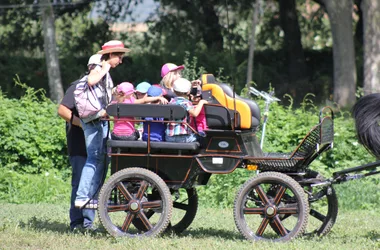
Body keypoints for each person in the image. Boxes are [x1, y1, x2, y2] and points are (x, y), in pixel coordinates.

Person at [74, 40, 130, 209]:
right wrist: (104, 68)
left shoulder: (105, 72)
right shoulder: (99, 67)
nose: (120, 61)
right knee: (93, 159)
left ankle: (93, 196)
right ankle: (83, 196)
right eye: (118, 57)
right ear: (110, 55)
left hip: (100, 121)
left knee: (101, 159)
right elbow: (91, 81)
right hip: (94, 122)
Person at [57, 54, 101, 231]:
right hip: (79, 143)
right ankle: (76, 223)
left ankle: (88, 223)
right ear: (93, 68)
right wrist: (83, 125)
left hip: (94, 144)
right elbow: (62, 110)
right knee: (79, 183)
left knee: (92, 184)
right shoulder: (78, 86)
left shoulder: (99, 89)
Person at [165, 78, 208, 143]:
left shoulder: (171, 102)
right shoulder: (186, 103)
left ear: (173, 90)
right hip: (184, 138)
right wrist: (201, 102)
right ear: (188, 92)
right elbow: (195, 114)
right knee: (202, 136)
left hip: (169, 137)